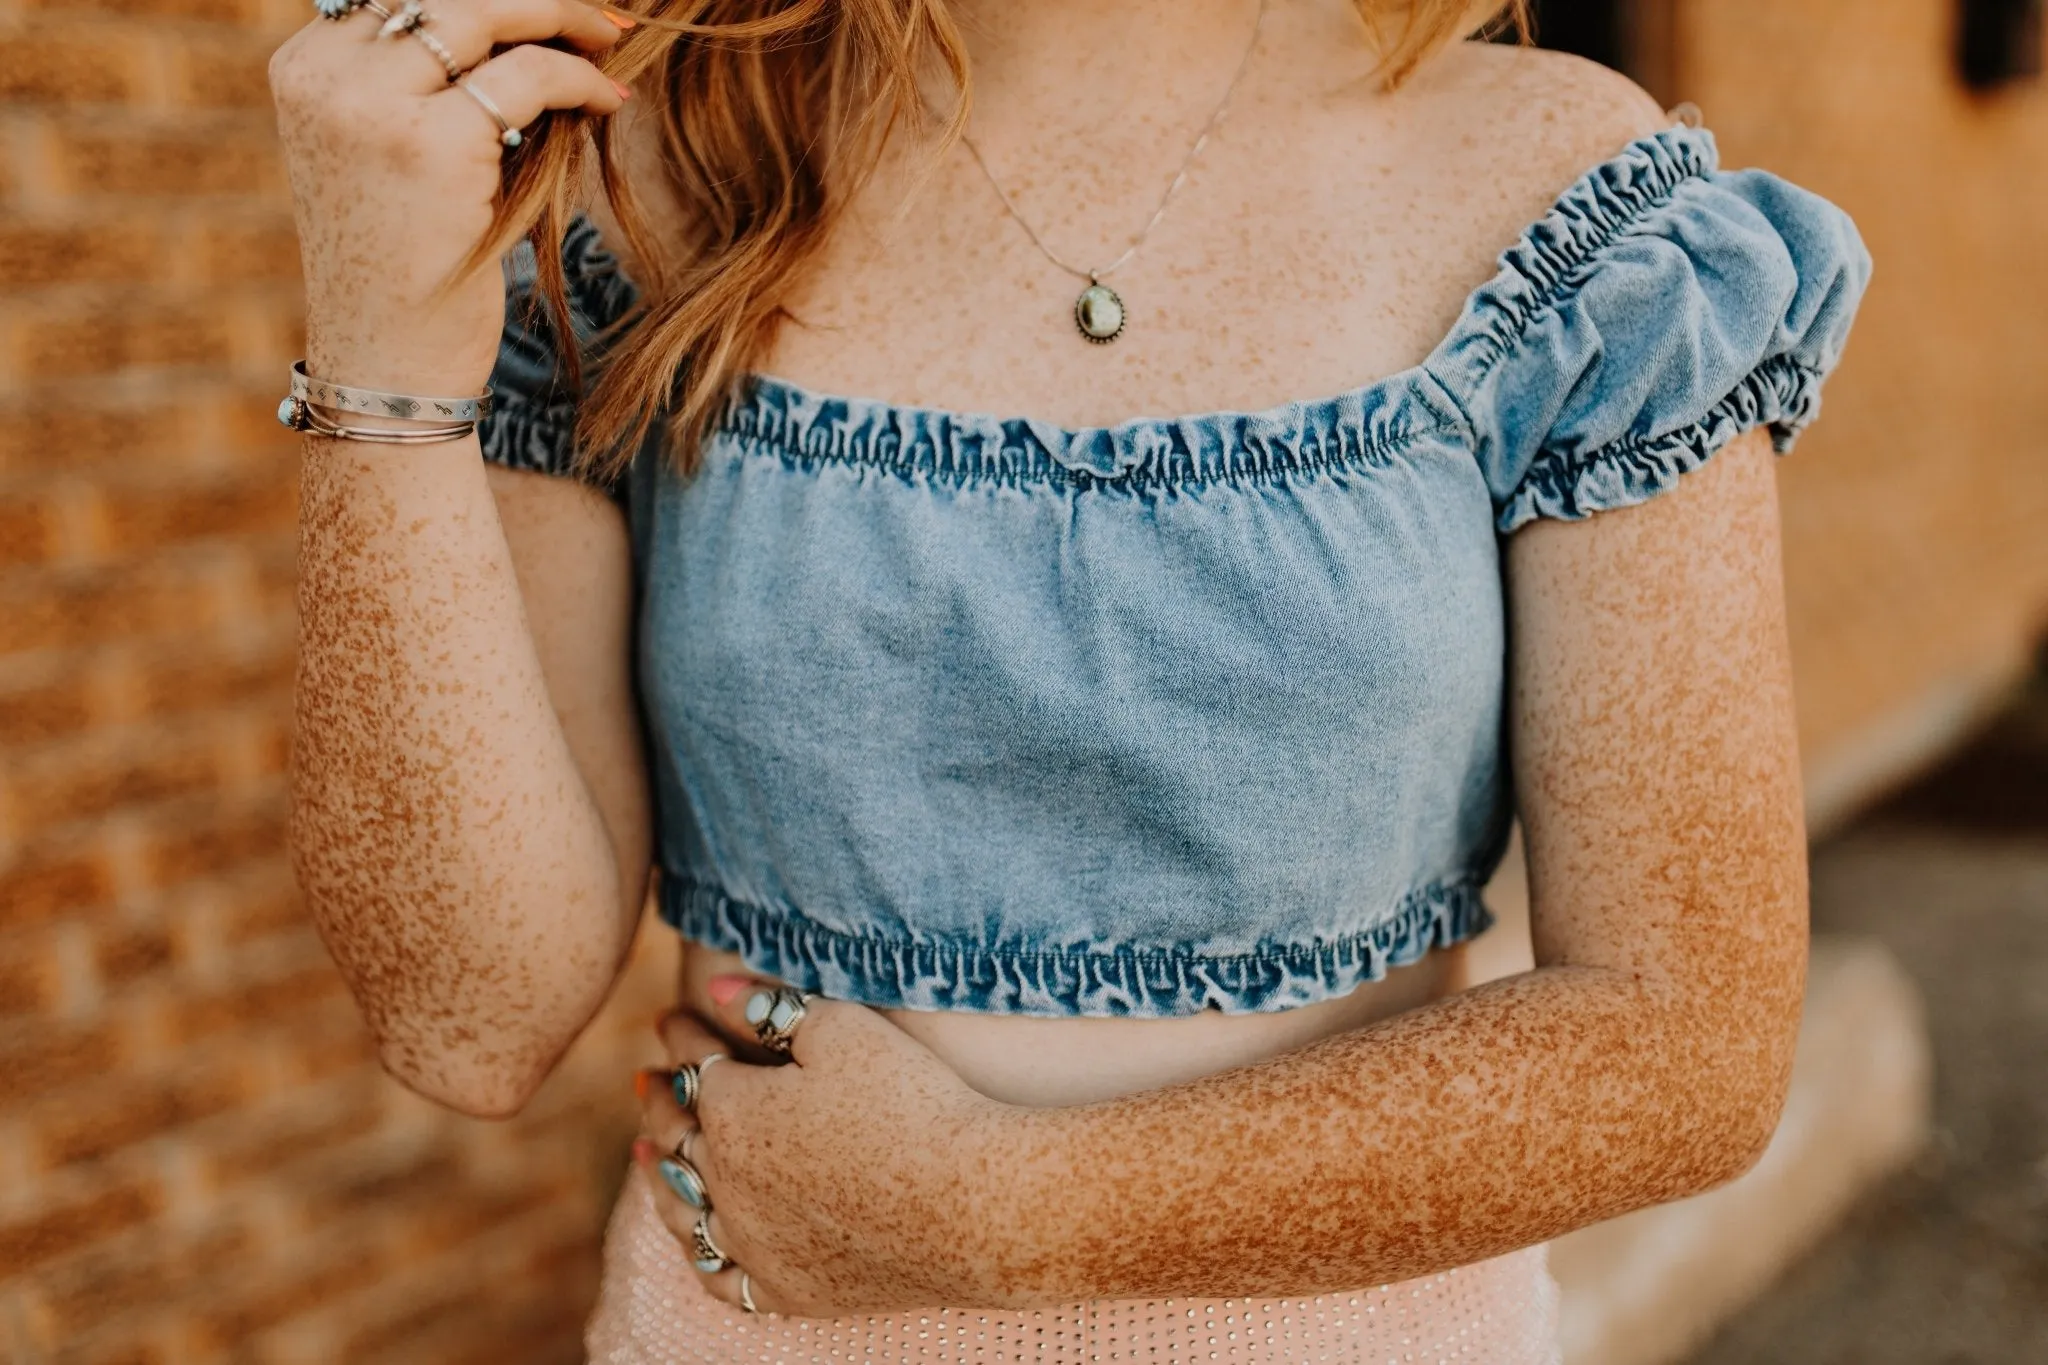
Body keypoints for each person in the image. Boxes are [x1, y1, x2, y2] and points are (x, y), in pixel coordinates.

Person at [268, 0, 1872, 1358]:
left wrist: (991, 1215)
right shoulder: (648, 173)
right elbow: (470, 1020)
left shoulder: (1558, 198)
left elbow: (1684, 1046)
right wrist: (379, 351)